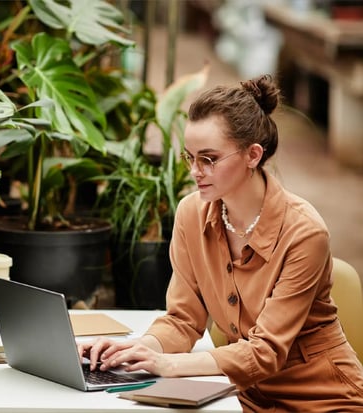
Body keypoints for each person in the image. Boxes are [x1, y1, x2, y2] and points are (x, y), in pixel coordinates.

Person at [78, 74, 363, 412]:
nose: (195, 171)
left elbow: (265, 352)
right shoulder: (191, 214)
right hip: (243, 395)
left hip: (324, 398)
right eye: (190, 157)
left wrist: (168, 366)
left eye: (208, 159)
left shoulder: (304, 233)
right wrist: (140, 350)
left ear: (253, 155)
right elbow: (183, 319)